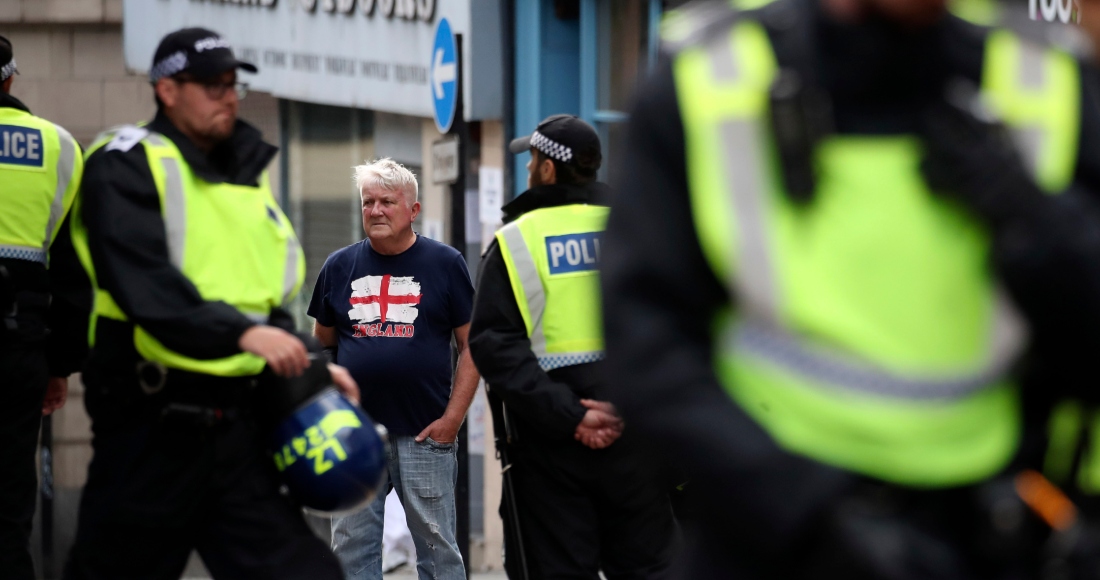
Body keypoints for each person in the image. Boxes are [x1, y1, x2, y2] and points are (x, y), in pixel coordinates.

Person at [603, 0, 1100, 578]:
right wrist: (810, 517)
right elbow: (646, 347)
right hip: (772, 538)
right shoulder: (709, 79)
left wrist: (1036, 222)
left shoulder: (1044, 84)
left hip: (991, 532)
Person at [63, 28, 357, 579]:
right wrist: (242, 336)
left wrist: (308, 364)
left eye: (232, 84)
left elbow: (260, 304)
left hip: (237, 430)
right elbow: (144, 283)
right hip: (149, 428)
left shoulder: (245, 182)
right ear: (167, 90)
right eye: (210, 85)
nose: (227, 96)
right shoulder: (124, 161)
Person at [468, 114, 677, 580]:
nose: (528, 170)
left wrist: (572, 414)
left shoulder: (516, 241)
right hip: (638, 439)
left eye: (532, 161)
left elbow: (495, 346)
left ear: (547, 169)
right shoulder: (638, 227)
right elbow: (675, 322)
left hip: (550, 453)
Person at [311, 158, 478, 580]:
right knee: (350, 551)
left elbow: (473, 346)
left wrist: (452, 420)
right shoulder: (338, 266)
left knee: (438, 551)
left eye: (387, 201)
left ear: (413, 210)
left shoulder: (445, 263)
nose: (376, 211)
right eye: (368, 202)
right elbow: (323, 347)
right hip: (355, 437)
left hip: (426, 434)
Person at [0, 34, 88, 579]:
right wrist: (60, 365)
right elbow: (76, 276)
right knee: (9, 500)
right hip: (18, 345)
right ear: (10, 79)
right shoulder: (56, 146)